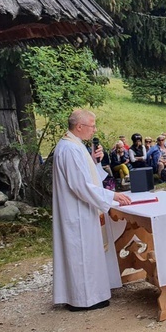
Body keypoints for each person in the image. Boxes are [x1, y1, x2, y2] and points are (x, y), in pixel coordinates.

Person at [52, 110, 131, 311]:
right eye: (92, 126)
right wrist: (111, 196)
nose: (94, 129)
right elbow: (80, 185)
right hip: (77, 210)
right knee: (81, 254)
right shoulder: (69, 149)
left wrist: (96, 161)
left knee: (86, 253)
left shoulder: (75, 145)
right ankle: (83, 299)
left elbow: (88, 175)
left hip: (81, 207)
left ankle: (90, 295)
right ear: (79, 127)